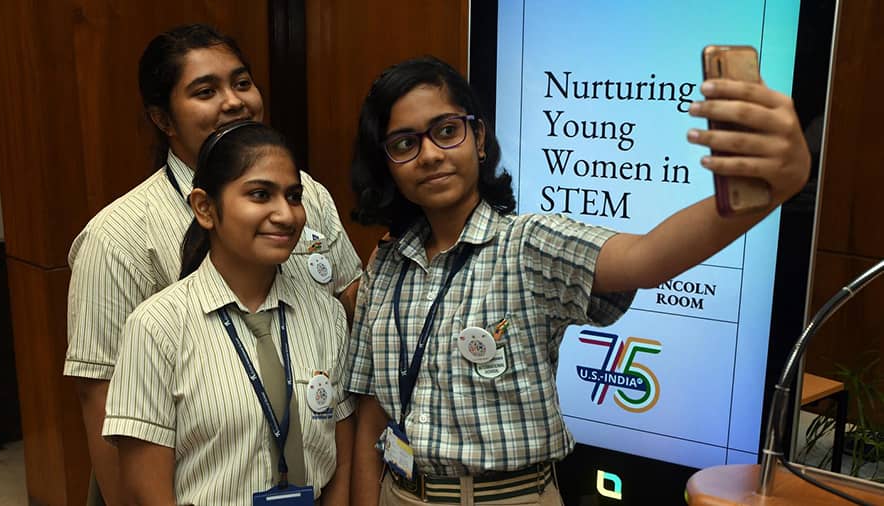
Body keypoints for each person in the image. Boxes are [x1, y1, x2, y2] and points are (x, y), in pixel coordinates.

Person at [346, 56, 810, 505]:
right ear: (387, 161)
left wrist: (761, 189)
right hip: (400, 494)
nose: (429, 155)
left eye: (447, 131)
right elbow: (373, 416)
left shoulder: (526, 244)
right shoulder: (386, 266)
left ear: (479, 138)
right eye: (405, 143)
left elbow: (647, 258)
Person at [63, 24, 361, 505]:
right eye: (206, 91)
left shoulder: (308, 195)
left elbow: (350, 302)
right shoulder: (118, 236)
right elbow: (101, 405)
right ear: (163, 119)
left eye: (242, 83)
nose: (234, 102)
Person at [102, 121, 353, 505]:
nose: (285, 214)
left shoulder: (327, 316)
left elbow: (342, 455)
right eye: (259, 194)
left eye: (294, 196)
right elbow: (145, 490)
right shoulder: (157, 327)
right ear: (205, 207)